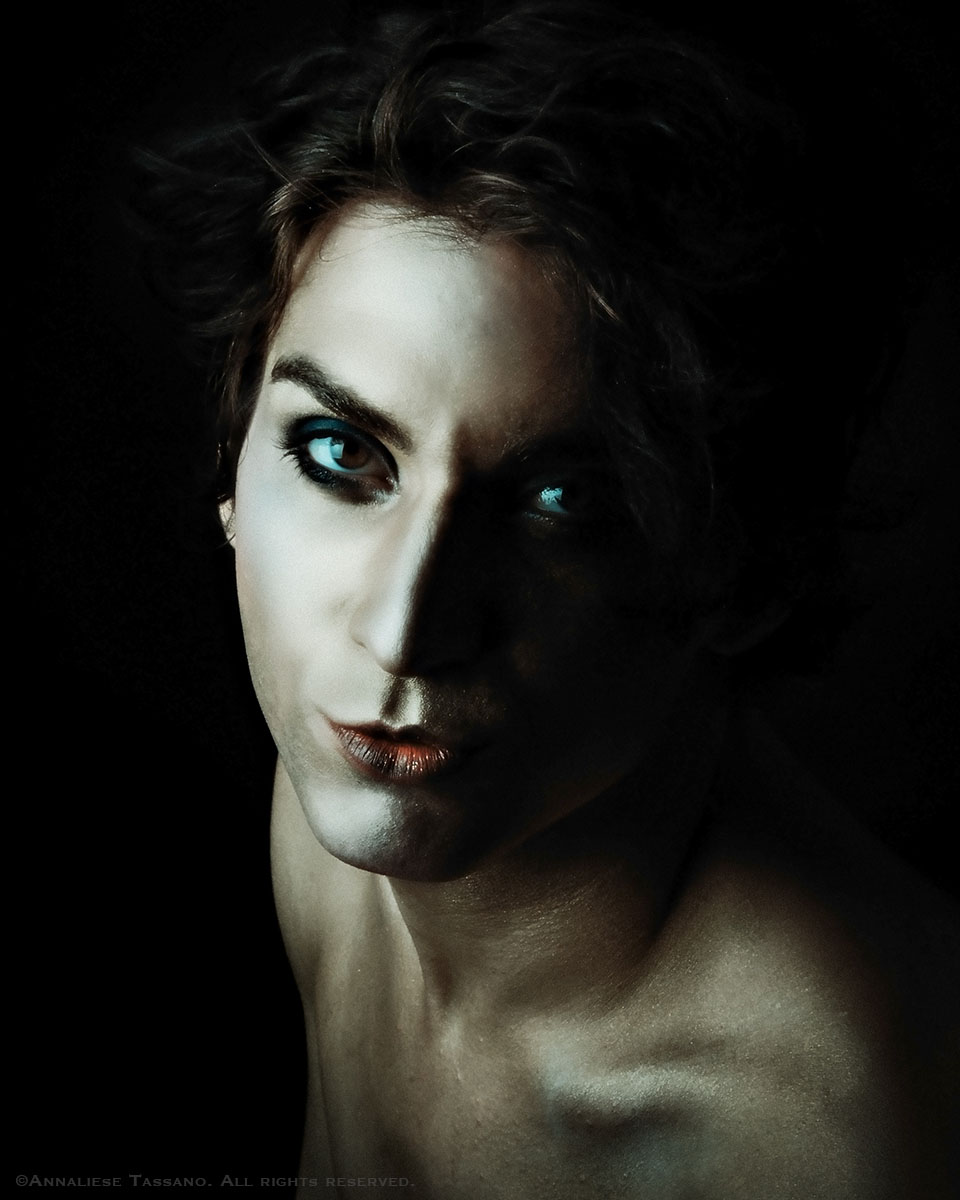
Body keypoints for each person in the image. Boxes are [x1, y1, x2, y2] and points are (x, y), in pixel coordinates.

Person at [136, 2, 958, 1194]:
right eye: (339, 455)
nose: (404, 629)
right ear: (231, 468)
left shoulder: (830, 1139)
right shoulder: (351, 794)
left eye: (564, 500)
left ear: (739, 571)